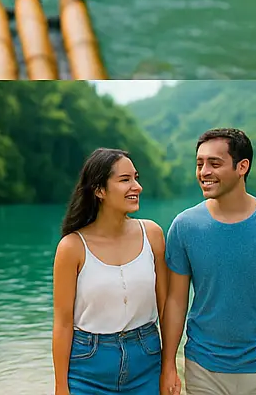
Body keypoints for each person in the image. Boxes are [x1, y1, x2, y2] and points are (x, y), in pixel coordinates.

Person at [162, 128, 256, 395]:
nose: (204, 172)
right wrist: (168, 366)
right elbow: (176, 300)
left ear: (242, 166)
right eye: (199, 164)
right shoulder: (184, 226)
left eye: (214, 163)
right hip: (202, 366)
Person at [51, 149, 167, 395]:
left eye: (136, 178)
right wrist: (61, 387)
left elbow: (166, 309)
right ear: (99, 190)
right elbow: (62, 323)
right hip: (87, 368)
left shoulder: (153, 235)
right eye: (125, 180)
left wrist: (169, 367)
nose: (137, 186)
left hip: (146, 360)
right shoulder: (72, 247)